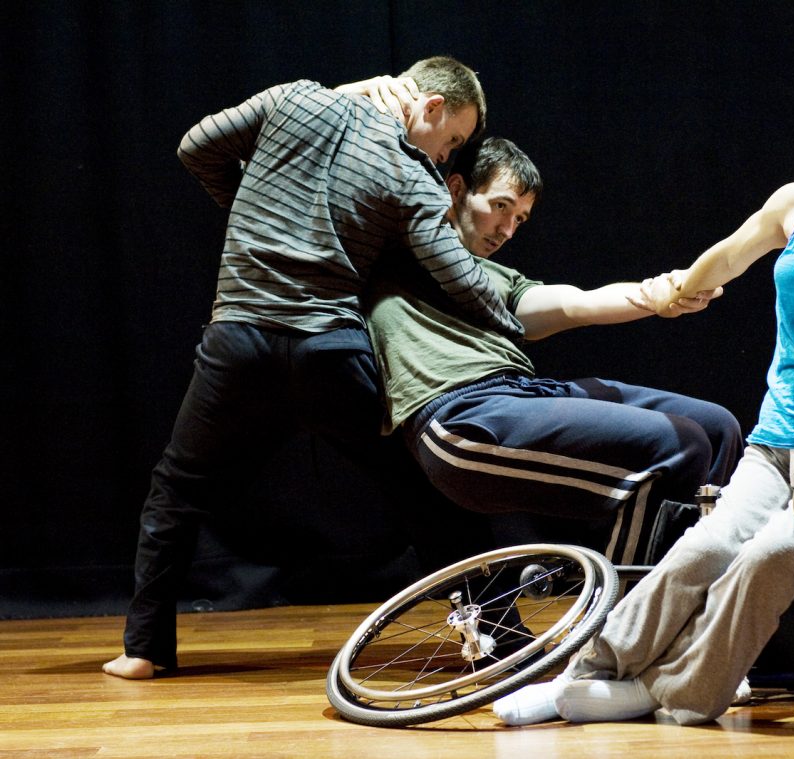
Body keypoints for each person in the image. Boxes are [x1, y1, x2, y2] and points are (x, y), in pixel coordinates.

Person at [495, 81, 794, 726]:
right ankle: (585, 676)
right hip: (779, 436)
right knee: (703, 550)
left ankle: (673, 693)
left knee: (771, 555)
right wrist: (676, 291)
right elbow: (728, 256)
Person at [103, 56, 521, 680]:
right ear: (431, 106)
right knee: (421, 485)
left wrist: (252, 207)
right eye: (452, 140)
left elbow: (195, 147)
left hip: (239, 340)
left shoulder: (294, 98)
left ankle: (144, 649)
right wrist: (516, 319)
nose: (446, 156)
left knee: (178, 490)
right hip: (328, 351)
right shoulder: (411, 171)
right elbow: (458, 276)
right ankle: (502, 639)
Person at [365, 135, 744, 567]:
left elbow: (574, 304)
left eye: (520, 219)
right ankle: (633, 607)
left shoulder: (499, 279)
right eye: (501, 206)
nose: (507, 230)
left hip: (522, 393)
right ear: (456, 189)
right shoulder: (399, 244)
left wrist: (658, 294)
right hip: (461, 415)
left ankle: (698, 586)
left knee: (717, 426)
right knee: (679, 444)